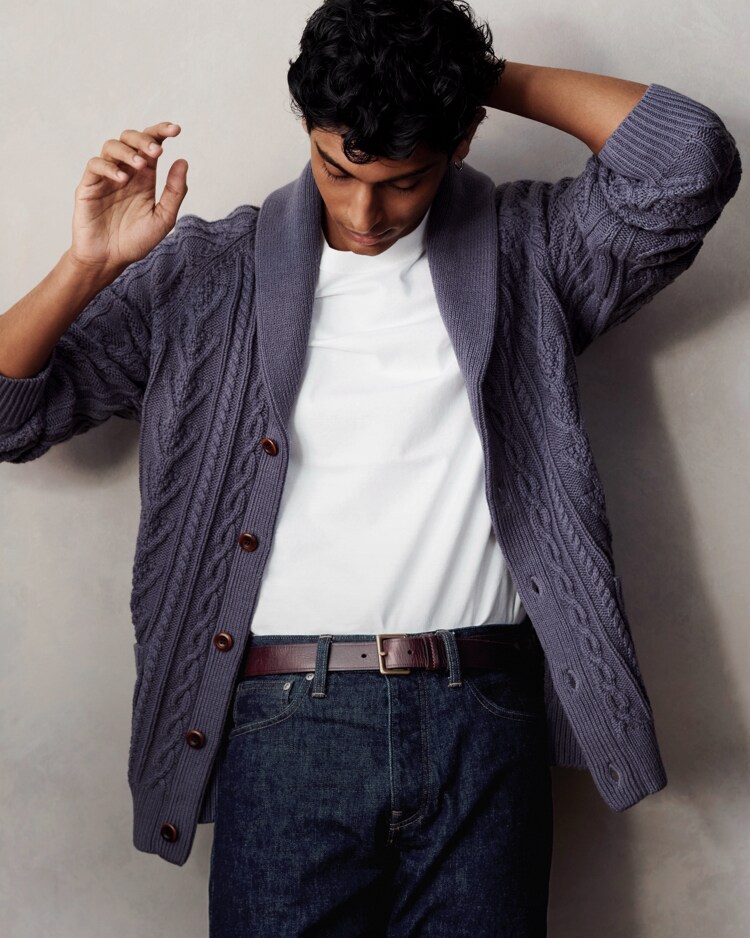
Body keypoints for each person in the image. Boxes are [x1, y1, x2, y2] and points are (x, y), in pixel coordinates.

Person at [0, 0, 742, 935]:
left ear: (461, 142)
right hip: (284, 719)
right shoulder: (208, 274)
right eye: (337, 168)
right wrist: (86, 265)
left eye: (403, 182)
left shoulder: (530, 253)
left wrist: (467, 77)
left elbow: (687, 162)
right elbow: (10, 419)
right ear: (308, 131)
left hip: (484, 714)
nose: (363, 213)